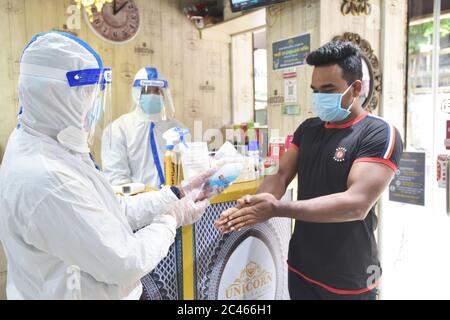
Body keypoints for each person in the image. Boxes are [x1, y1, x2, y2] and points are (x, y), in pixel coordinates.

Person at [0, 31, 213, 300]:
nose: (95, 107)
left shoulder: (46, 144)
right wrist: (171, 219)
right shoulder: (48, 177)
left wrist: (172, 195)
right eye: (90, 94)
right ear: (62, 96)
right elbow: (126, 262)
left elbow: (109, 210)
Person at [215, 41, 404, 300]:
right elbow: (281, 175)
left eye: (328, 89)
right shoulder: (309, 129)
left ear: (356, 88)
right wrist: (255, 203)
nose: (320, 98)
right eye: (315, 91)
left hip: (349, 274)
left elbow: (356, 204)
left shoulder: (378, 133)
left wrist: (277, 208)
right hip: (302, 266)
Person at [101, 67, 184, 188]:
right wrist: (145, 198)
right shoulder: (117, 130)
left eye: (156, 90)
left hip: (176, 201)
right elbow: (117, 179)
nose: (152, 95)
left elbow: (186, 172)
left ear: (164, 93)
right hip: (137, 203)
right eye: (146, 91)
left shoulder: (178, 129)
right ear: (136, 93)